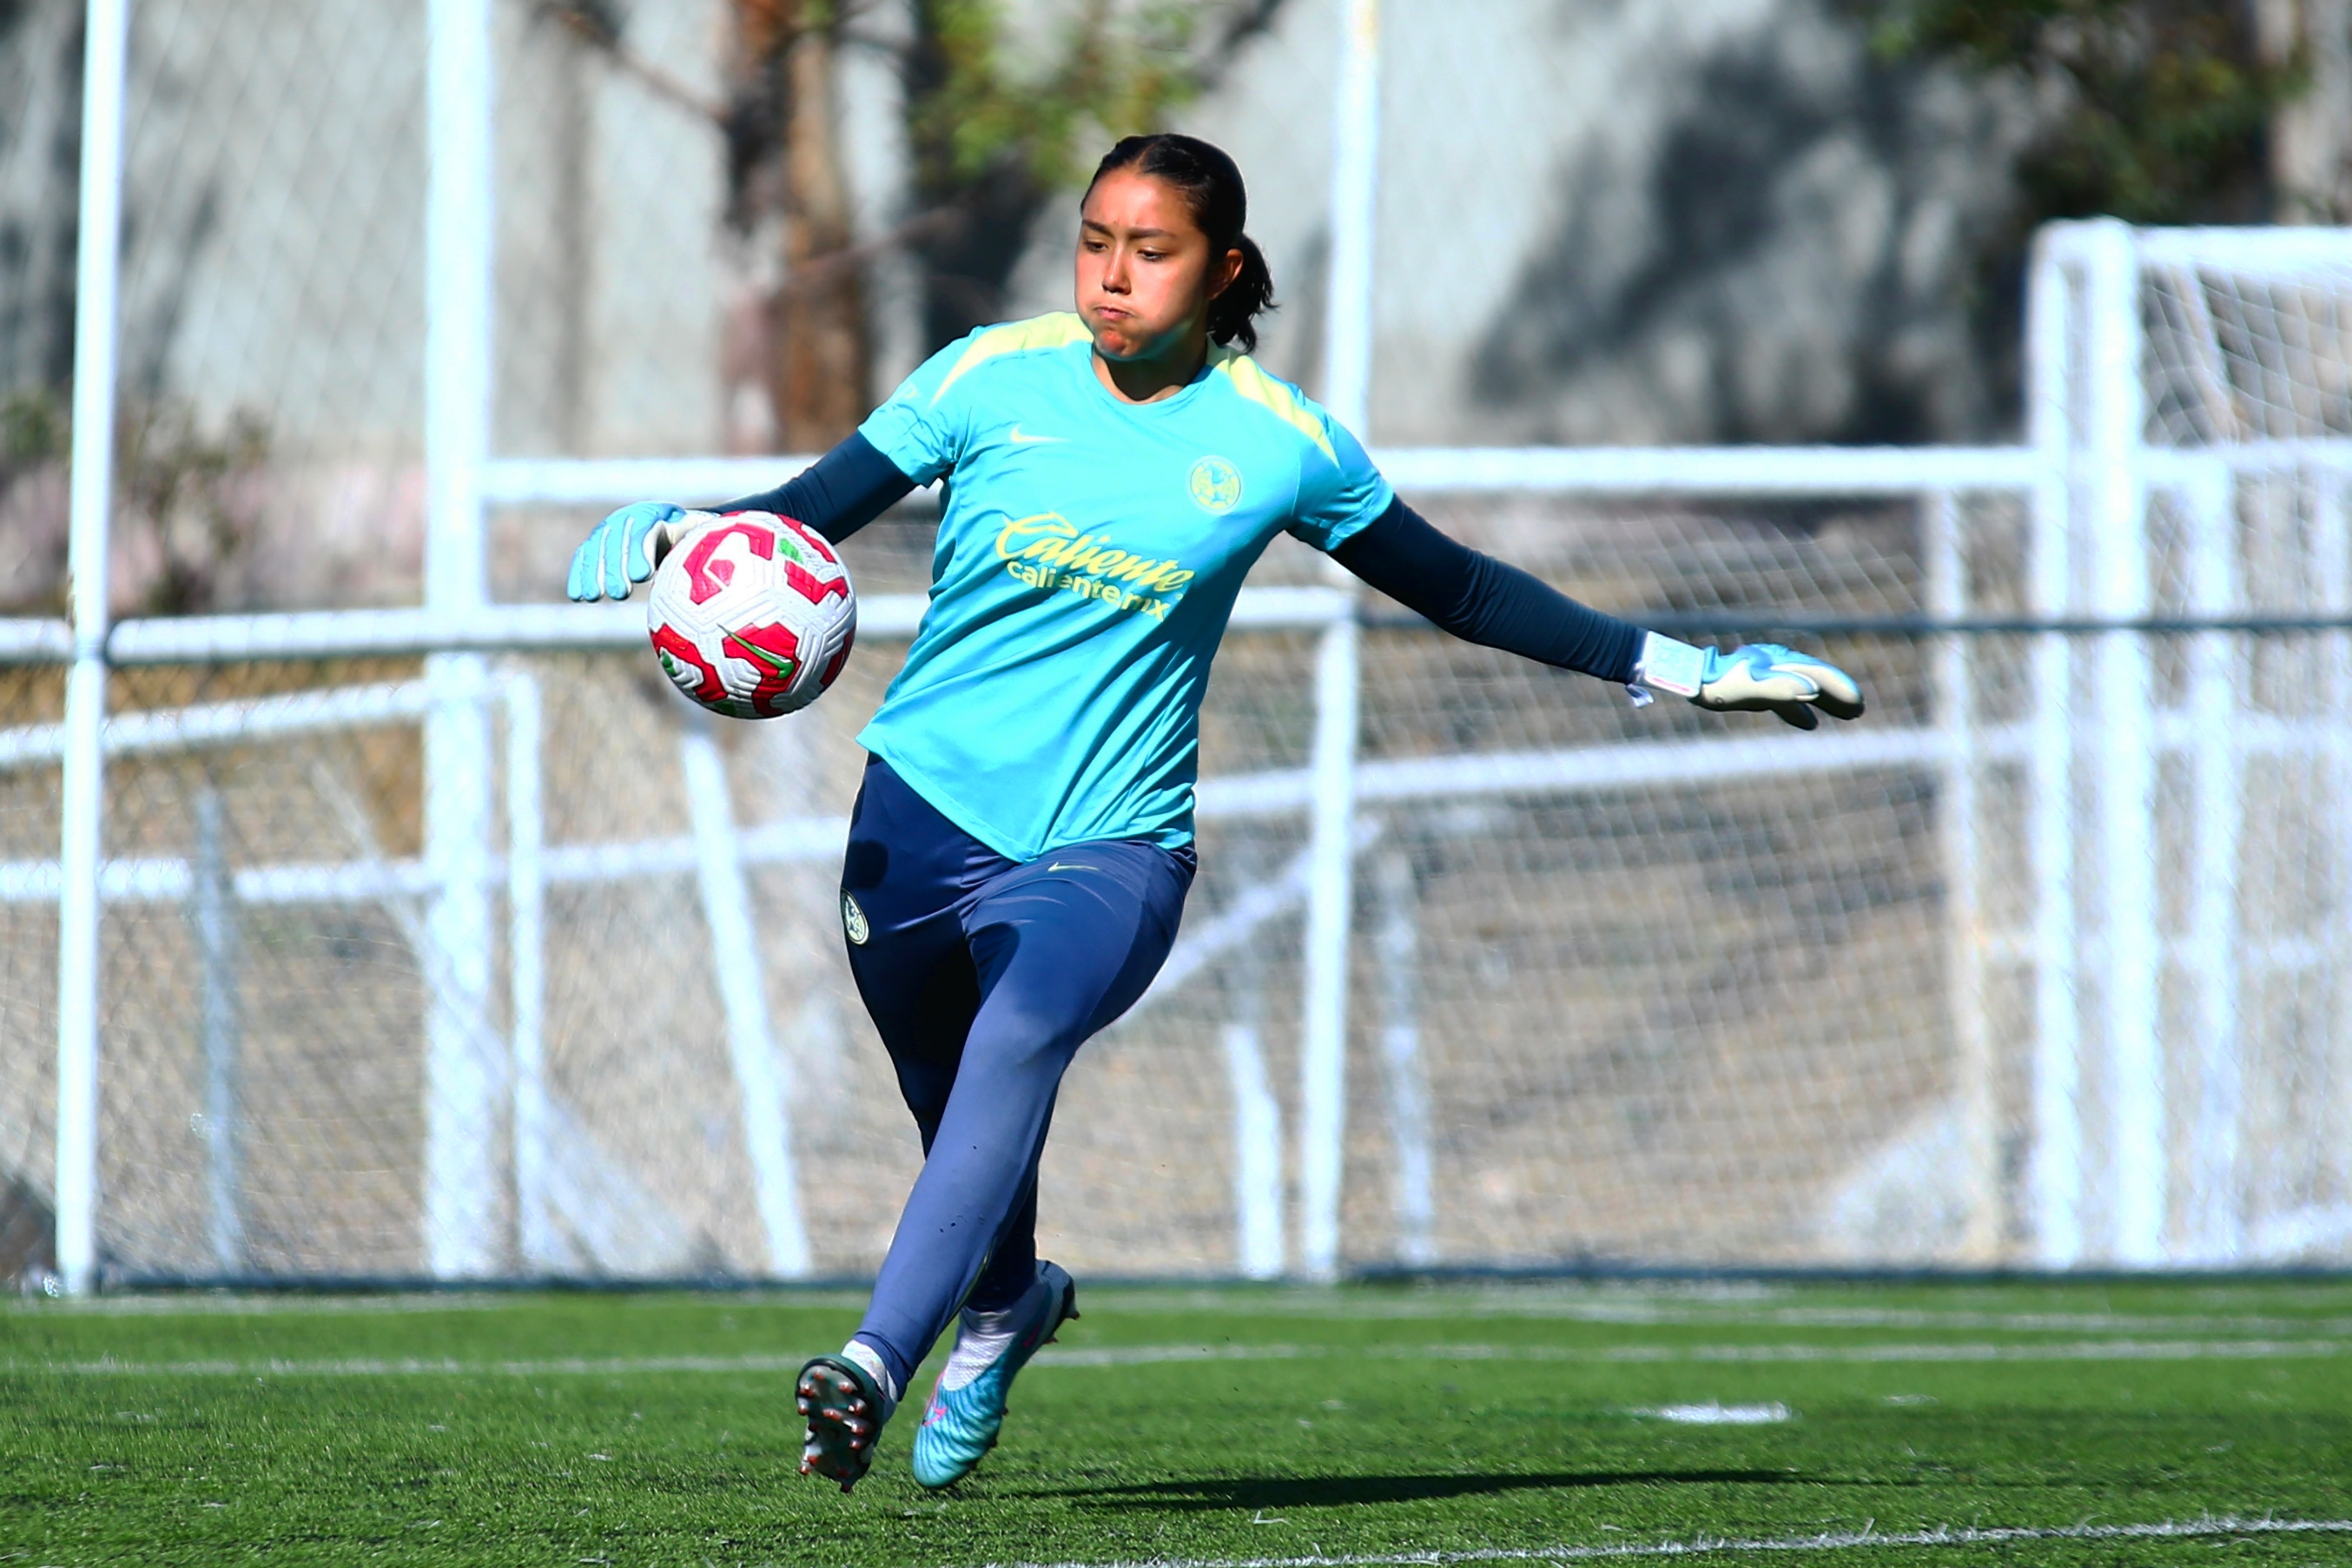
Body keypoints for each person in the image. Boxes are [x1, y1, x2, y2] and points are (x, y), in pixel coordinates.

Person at [566, 132, 1862, 1493]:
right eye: (1094, 242)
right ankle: (1006, 1305)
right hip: (914, 826)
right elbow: (805, 516)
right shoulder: (985, 375)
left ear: (1223, 268)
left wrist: (1684, 667)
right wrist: (687, 534)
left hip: (1108, 846)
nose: (1111, 275)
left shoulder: (1277, 443)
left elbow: (1464, 588)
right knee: (954, 1114)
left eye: (1151, 249)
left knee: (1018, 1038)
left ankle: (871, 1364)